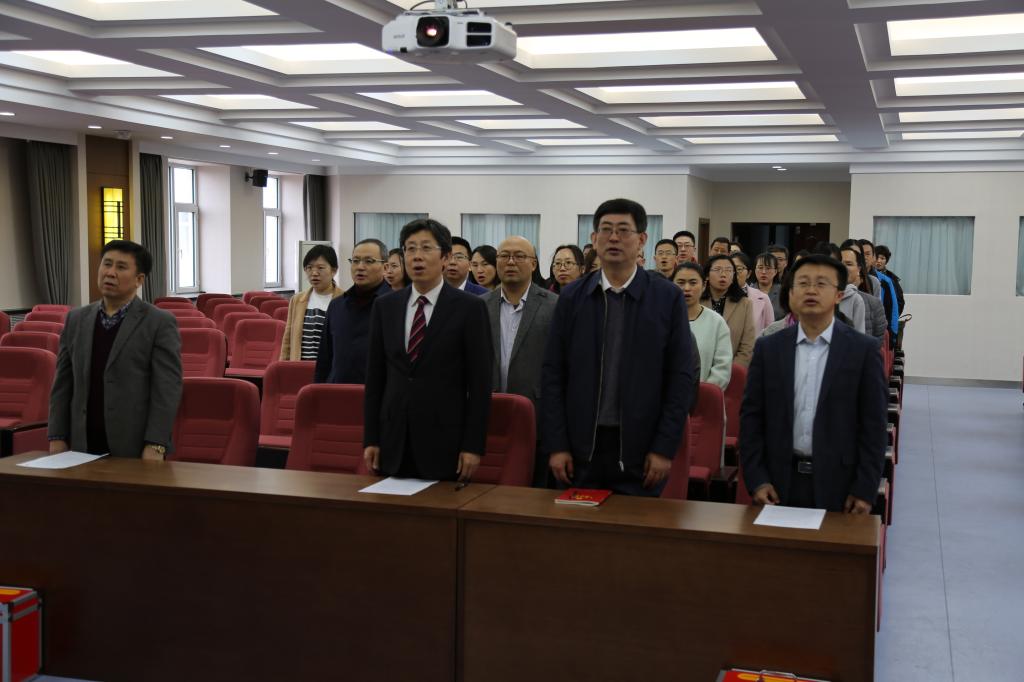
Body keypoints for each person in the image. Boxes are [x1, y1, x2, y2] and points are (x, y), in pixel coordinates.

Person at [542, 198, 693, 497]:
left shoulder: (667, 298)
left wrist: (663, 448)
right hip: (579, 450)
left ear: (642, 239)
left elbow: (680, 378)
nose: (613, 238)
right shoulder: (572, 297)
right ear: (594, 237)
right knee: (577, 525)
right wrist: (557, 445)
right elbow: (552, 374)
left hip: (642, 450)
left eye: (623, 230)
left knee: (634, 527)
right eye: (606, 229)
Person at [739, 254, 887, 512]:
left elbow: (874, 426)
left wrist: (864, 489)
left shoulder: (863, 351)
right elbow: (752, 417)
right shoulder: (769, 348)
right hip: (778, 481)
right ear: (791, 293)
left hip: (841, 484)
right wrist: (757, 479)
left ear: (839, 295)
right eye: (803, 283)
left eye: (821, 284)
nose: (811, 290)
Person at [363, 219, 492, 481]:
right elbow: (375, 378)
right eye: (410, 249)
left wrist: (473, 445)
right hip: (393, 439)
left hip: (445, 440)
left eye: (426, 248)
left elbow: (480, 384)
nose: (417, 256)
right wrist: (371, 438)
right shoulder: (385, 306)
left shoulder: (470, 308)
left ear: (445, 257)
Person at [48, 240, 182, 460]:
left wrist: (156, 444)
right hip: (81, 444)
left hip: (134, 446)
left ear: (139, 279)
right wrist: (57, 436)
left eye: (121, 267)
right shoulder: (76, 319)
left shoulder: (159, 322)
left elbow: (166, 389)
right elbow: (62, 383)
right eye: (107, 264)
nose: (110, 273)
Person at [483, 236, 558, 486]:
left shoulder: (554, 306)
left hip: (537, 418)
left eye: (519, 256)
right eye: (504, 256)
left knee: (534, 494)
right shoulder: (480, 305)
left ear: (534, 264)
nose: (511, 262)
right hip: (490, 418)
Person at [314, 239, 392, 384]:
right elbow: (324, 359)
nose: (360, 267)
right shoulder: (336, 306)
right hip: (337, 392)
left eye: (369, 261)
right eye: (355, 261)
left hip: (379, 394)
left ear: (385, 267)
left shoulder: (396, 306)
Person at [672, 263, 731, 390]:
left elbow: (722, 368)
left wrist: (703, 393)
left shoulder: (716, 322)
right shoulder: (662, 319)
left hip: (704, 396)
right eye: (680, 283)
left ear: (704, 285)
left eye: (693, 283)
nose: (686, 288)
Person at [281, 245, 342, 361]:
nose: (314, 273)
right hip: (300, 367)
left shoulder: (345, 300)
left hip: (331, 368)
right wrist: (283, 365)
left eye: (320, 268)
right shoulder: (297, 300)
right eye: (309, 267)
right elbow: (287, 340)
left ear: (334, 270)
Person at [701, 254, 756, 367]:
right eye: (717, 269)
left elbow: (747, 346)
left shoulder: (745, 304)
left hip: (732, 370)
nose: (723, 274)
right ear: (706, 275)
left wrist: (731, 371)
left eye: (728, 270)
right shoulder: (697, 302)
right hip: (700, 369)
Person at [840, 246, 886, 341]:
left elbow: (878, 341)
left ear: (858, 269)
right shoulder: (825, 298)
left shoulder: (873, 303)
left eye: (849, 264)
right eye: (839, 263)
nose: (843, 268)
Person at [731, 251, 773, 334]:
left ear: (749, 274)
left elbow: (770, 331)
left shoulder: (763, 298)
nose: (734, 273)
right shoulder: (720, 296)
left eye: (739, 269)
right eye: (730, 269)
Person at [753, 251, 785, 320]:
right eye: (760, 268)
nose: (764, 272)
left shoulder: (783, 292)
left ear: (775, 271)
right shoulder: (748, 291)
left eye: (768, 268)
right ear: (755, 270)